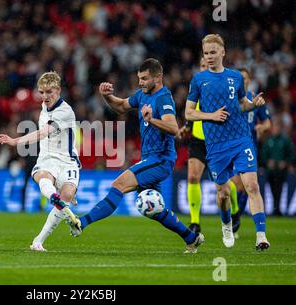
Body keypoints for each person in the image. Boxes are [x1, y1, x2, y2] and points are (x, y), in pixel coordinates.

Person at [65, 58, 205, 254]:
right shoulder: (142, 95)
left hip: (161, 159)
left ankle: (81, 222)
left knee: (118, 185)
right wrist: (107, 97)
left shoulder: (163, 98)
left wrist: (151, 119)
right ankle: (192, 238)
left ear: (158, 77)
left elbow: (173, 128)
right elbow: (122, 105)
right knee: (153, 208)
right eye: (139, 78)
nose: (140, 82)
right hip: (150, 158)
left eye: (144, 78)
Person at [185, 34, 270, 250]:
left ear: (222, 52)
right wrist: (210, 115)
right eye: (206, 53)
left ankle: (261, 236)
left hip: (241, 139)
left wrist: (254, 105)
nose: (210, 56)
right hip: (215, 145)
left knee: (252, 184)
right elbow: (188, 113)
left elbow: (242, 105)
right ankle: (226, 224)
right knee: (223, 193)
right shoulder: (198, 80)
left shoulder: (235, 77)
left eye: (213, 52)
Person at [0, 71, 80, 252]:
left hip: (67, 161)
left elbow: (43, 133)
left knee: (66, 196)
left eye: (49, 92)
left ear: (58, 90)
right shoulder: (44, 106)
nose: (45, 96)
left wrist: (15, 141)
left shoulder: (65, 111)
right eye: (42, 92)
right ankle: (54, 198)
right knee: (43, 176)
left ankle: (38, 239)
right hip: (47, 158)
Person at [179, 57, 239, 234]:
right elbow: (192, 110)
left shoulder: (221, 86)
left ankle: (234, 211)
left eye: (208, 65)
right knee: (192, 178)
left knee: (223, 183)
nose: (205, 68)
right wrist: (187, 127)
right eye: (202, 66)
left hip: (217, 140)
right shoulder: (197, 85)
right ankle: (195, 222)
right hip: (198, 139)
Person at [230, 67, 271, 234]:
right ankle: (236, 213)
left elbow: (268, 123)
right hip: (231, 147)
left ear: (249, 80)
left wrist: (262, 126)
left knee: (247, 186)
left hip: (250, 147)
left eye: (245, 78)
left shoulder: (255, 99)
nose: (243, 80)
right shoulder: (230, 98)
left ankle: (237, 214)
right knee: (235, 185)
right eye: (240, 78)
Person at [261, 116, 294, 216]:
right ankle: (268, 208)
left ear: (280, 128)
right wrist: (267, 162)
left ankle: (279, 209)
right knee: (270, 189)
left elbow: (291, 155)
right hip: (270, 171)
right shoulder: (268, 141)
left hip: (281, 172)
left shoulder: (286, 141)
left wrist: (286, 163)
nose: (275, 129)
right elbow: (263, 155)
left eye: (277, 127)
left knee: (279, 190)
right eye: (274, 127)